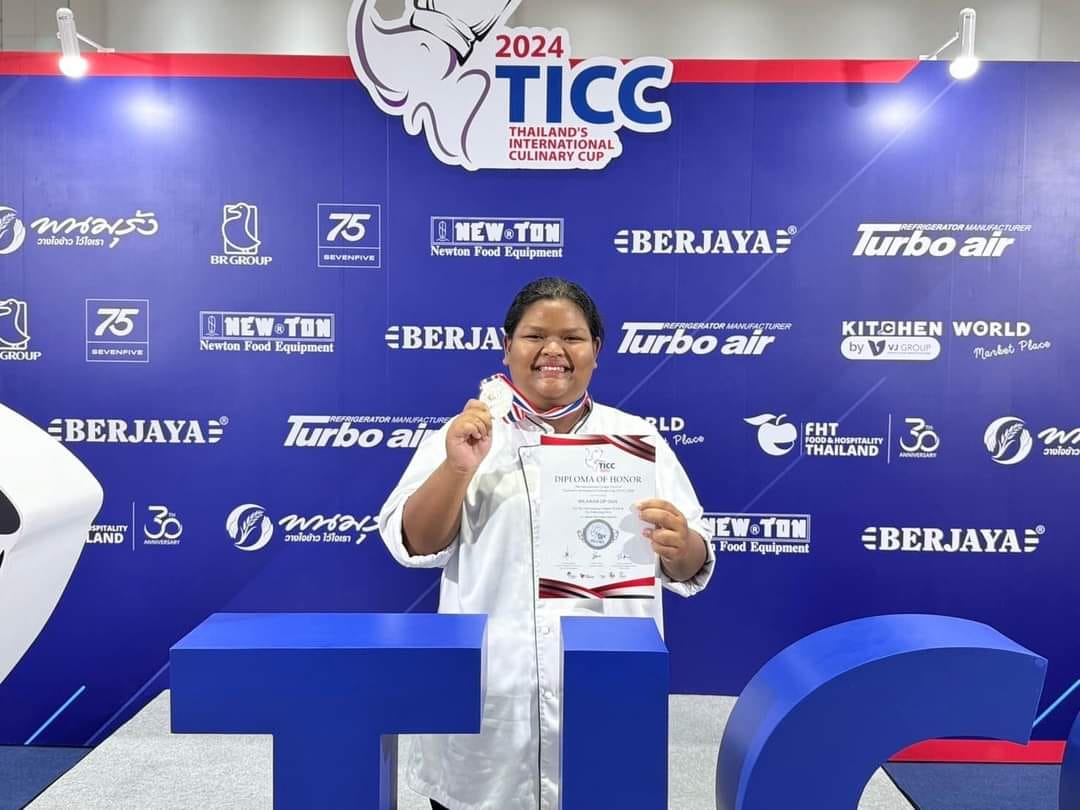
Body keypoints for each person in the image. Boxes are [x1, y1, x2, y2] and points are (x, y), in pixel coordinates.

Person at [378, 277, 714, 810]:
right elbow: (414, 543)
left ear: (595, 352)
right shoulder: (466, 435)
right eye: (535, 336)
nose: (553, 350)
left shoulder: (637, 440)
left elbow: (692, 559)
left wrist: (682, 545)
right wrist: (458, 468)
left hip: (604, 695)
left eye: (572, 338)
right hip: (492, 700)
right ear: (507, 346)